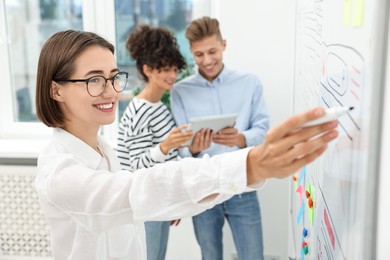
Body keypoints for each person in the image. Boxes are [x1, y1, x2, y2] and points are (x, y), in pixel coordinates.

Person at [34, 29, 339, 260]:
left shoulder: (103, 150)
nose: (111, 91)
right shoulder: (59, 172)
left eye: (114, 78)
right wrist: (249, 165)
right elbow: (137, 188)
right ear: (56, 90)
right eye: (94, 80)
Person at [170, 16, 268, 259]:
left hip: (242, 184)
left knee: (253, 255)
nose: (207, 60)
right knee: (210, 256)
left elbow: (263, 131)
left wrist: (240, 139)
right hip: (203, 189)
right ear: (191, 52)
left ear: (224, 44)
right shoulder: (180, 91)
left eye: (212, 51)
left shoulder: (249, 83)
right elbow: (181, 148)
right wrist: (193, 149)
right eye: (199, 55)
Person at [116, 24, 190, 260]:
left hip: (158, 202)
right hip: (144, 204)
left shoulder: (159, 106)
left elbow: (166, 160)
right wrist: (166, 145)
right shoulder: (140, 110)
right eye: (164, 69)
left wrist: (173, 201)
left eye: (174, 68)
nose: (172, 75)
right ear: (147, 69)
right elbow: (137, 165)